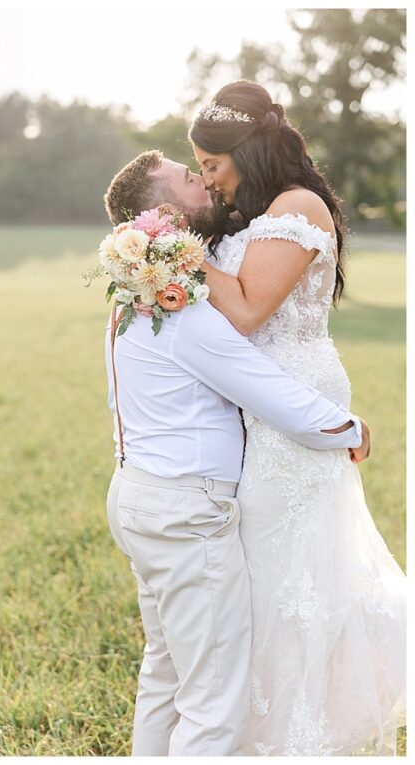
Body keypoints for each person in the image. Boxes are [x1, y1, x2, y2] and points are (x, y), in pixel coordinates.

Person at [101, 156, 373, 755]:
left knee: (167, 677)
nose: (206, 182)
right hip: (185, 512)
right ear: (165, 216)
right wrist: (347, 427)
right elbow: (263, 386)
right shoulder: (180, 307)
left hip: (138, 496)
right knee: (215, 703)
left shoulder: (132, 295)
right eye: (191, 178)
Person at [188, 80, 405, 756]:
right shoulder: (258, 210)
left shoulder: (299, 204)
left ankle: (292, 733)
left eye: (212, 166)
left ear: (246, 152)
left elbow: (250, 308)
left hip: (293, 404)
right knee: (264, 573)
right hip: (260, 403)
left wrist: (177, 253)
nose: (208, 181)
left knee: (288, 575)